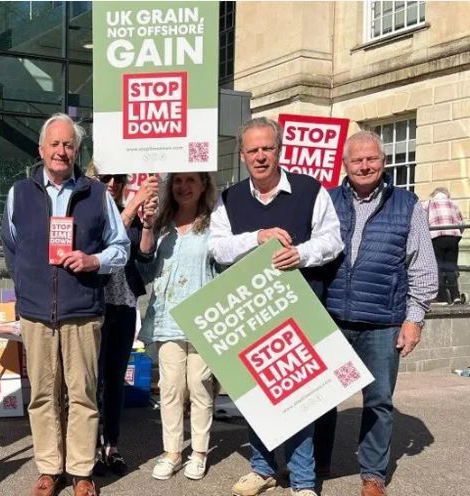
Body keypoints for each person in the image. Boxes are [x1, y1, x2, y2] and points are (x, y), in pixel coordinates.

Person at [209, 117, 343, 496]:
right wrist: (257, 238)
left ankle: (302, 481)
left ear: (279, 150)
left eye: (267, 148)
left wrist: (301, 254)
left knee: (299, 398)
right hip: (252, 311)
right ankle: (262, 467)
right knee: (256, 399)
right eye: (253, 150)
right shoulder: (230, 198)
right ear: (243, 155)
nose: (260, 156)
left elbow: (333, 240)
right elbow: (217, 248)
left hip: (301, 309)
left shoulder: (309, 189)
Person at [2, 113, 129, 496]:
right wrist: (26, 288)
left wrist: (94, 261)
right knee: (42, 395)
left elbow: (120, 248)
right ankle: (48, 468)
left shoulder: (96, 194)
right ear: (41, 150)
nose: (61, 151)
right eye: (54, 144)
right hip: (37, 314)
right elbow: (12, 248)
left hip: (82, 312)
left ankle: (81, 471)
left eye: (68, 144)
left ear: (77, 151)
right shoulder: (18, 193)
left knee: (83, 394)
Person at [313, 131, 437, 496]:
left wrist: (414, 319)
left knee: (379, 400)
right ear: (345, 165)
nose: (365, 166)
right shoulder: (326, 201)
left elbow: (423, 267)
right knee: (319, 396)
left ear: (383, 162)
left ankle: (373, 474)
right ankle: (318, 461)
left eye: (372, 159)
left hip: (383, 321)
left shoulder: (408, 204)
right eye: (357, 160)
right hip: (330, 315)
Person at [137, 172, 218, 482]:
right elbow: (145, 264)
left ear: (203, 185)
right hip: (168, 314)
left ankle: (198, 451)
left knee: (199, 383)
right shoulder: (161, 224)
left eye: (191, 181)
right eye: (179, 181)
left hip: (203, 316)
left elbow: (224, 265)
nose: (184, 187)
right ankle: (172, 451)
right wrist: (146, 224)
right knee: (171, 386)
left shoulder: (215, 224)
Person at [88, 168, 158, 478]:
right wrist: (131, 210)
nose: (113, 184)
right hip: (92, 306)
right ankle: (86, 449)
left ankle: (111, 446)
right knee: (90, 381)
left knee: (115, 379)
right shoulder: (90, 212)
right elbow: (96, 249)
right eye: (106, 179)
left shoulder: (124, 212)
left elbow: (144, 254)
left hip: (124, 305)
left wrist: (148, 223)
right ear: (93, 180)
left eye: (119, 179)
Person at [423, 187, 464, 303]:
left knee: (438, 267)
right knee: (451, 267)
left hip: (436, 237)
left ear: (433, 194)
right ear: (447, 195)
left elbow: (422, 221)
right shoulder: (454, 204)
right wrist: (456, 234)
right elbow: (461, 223)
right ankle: (455, 296)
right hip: (453, 237)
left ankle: (441, 297)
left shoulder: (428, 204)